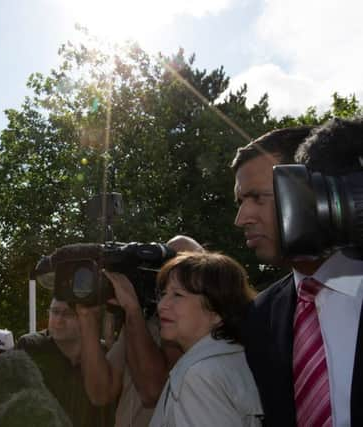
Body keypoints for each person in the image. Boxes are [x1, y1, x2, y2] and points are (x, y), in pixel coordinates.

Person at [233, 120, 363, 426]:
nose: (241, 218)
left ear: (312, 188)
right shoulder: (260, 316)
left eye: (257, 198)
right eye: (239, 202)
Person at [76, 235, 202, 427]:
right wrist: (87, 317)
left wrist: (133, 310)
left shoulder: (200, 333)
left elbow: (153, 393)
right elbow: (101, 393)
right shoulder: (145, 323)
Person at [148, 252, 262, 427]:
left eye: (178, 295)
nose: (162, 305)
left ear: (216, 310)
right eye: (163, 294)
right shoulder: (235, 358)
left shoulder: (200, 375)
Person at [15, 298, 114, 427]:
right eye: (55, 312)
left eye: (68, 314)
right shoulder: (31, 347)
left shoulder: (104, 354)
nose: (59, 320)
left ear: (85, 318)